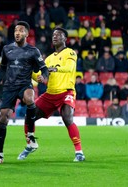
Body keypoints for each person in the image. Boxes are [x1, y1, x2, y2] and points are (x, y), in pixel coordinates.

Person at [18, 27, 85, 162]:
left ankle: (79, 152)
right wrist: (33, 74)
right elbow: (41, 75)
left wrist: (55, 69)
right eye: (53, 35)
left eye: (58, 35)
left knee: (67, 117)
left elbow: (70, 68)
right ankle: (30, 144)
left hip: (66, 91)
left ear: (65, 38)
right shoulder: (48, 58)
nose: (55, 37)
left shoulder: (70, 53)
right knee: (29, 116)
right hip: (50, 94)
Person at [0, 21, 48, 164]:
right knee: (3, 118)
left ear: (27, 34)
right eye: (16, 30)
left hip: (24, 84)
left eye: (21, 30)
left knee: (30, 99)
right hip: (9, 87)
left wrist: (44, 76)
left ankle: (31, 135)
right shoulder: (6, 49)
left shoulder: (33, 51)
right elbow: (2, 68)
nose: (17, 33)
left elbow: (44, 68)